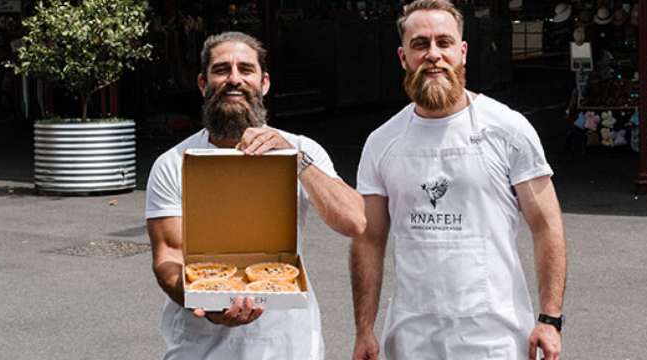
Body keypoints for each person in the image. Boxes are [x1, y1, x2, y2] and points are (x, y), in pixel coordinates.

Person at [350, 1, 568, 360]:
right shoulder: (381, 142)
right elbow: (369, 240)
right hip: (409, 338)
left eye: (444, 43)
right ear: (403, 57)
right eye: (420, 44)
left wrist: (549, 319)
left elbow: (547, 225)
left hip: (494, 340)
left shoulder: (507, 129)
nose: (433, 54)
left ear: (462, 52)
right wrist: (364, 330)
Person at [145, 31, 365, 360]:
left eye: (245, 69)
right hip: (199, 350)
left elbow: (354, 221)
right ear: (203, 84)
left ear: (264, 83)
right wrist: (207, 302)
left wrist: (294, 159)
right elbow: (168, 259)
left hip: (290, 348)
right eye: (222, 70)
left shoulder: (302, 149)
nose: (234, 79)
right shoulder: (172, 164)